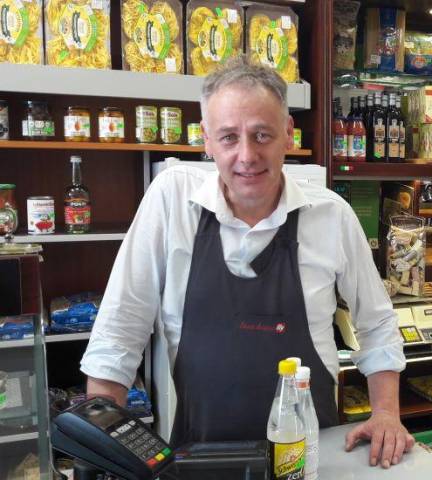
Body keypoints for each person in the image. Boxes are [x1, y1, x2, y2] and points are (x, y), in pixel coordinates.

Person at [80, 55, 414, 469]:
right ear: (206, 140)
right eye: (228, 137)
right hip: (198, 460)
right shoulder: (171, 201)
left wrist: (386, 414)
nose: (246, 155)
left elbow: (377, 323)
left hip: (311, 458)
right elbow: (119, 328)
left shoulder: (331, 216)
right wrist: (100, 444)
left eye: (261, 135)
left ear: (288, 134)